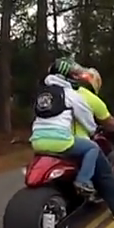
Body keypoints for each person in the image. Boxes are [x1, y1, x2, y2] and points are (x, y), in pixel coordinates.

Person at [30, 58, 101, 195]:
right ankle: (83, 180)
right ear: (66, 77)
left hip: (37, 141)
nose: (77, 77)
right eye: (74, 74)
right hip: (60, 141)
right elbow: (87, 119)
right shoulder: (71, 94)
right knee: (92, 148)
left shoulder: (42, 94)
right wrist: (93, 130)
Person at [76, 67, 114, 220]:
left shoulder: (64, 94)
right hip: (79, 141)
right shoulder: (89, 97)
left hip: (54, 141)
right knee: (105, 171)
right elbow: (109, 122)